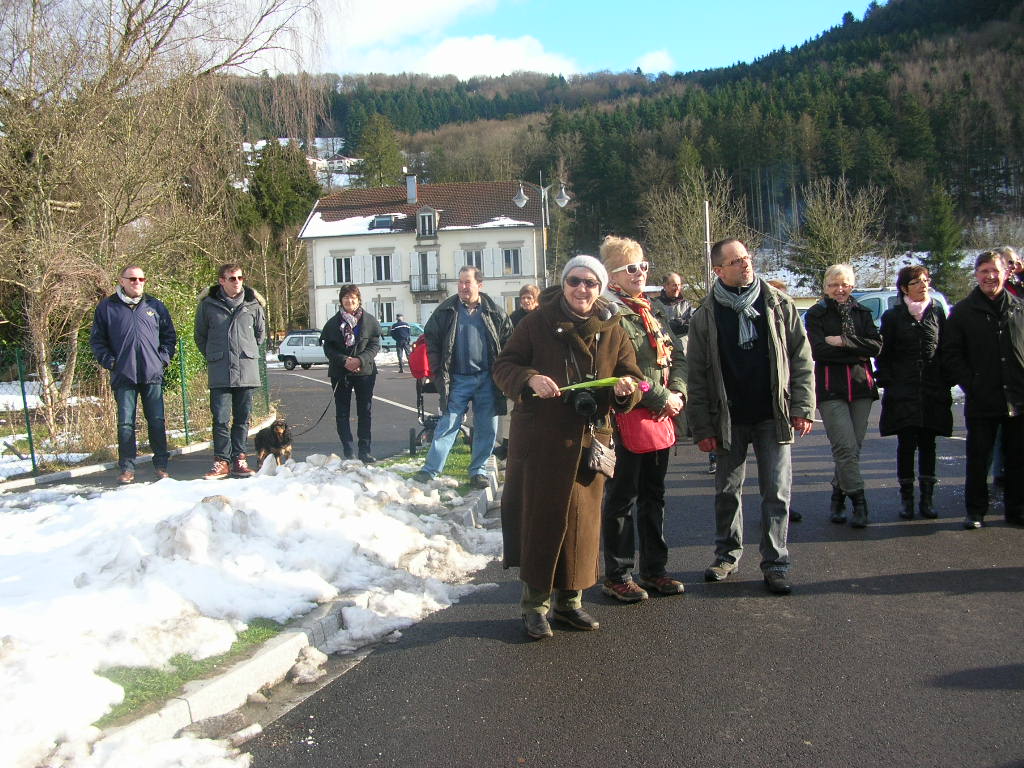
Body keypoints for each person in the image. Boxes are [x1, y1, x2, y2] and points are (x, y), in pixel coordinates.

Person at [492, 256, 642, 639]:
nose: (582, 289)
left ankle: (569, 605)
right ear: (565, 283)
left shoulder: (614, 328)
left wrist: (626, 390)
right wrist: (530, 379)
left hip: (590, 440)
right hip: (542, 441)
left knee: (582, 525)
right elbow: (504, 367)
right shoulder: (536, 322)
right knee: (541, 523)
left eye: (591, 283)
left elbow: (632, 377)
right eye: (575, 281)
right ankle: (534, 607)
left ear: (601, 288)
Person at [687, 238, 814, 595]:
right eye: (736, 260)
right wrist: (702, 428)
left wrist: (803, 408)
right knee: (727, 491)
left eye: (747, 257)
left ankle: (776, 563)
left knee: (777, 491)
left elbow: (802, 359)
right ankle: (726, 555)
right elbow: (696, 376)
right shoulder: (706, 315)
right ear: (718, 270)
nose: (746, 264)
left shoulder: (777, 303)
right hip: (728, 418)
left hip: (773, 414)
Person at [599, 236, 688, 602]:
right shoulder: (609, 313)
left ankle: (655, 570)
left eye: (644, 266)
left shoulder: (651, 310)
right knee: (622, 499)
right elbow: (621, 368)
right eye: (631, 268)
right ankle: (618, 574)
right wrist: (660, 396)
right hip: (626, 415)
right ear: (613, 276)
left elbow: (677, 357)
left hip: (659, 416)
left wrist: (678, 391)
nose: (641, 273)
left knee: (655, 496)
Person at [941, 249, 1024, 529]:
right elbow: (951, 354)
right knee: (979, 458)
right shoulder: (963, 312)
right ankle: (975, 511)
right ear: (976, 275)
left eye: (995, 270)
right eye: (984, 271)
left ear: (1006, 273)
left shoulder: (1019, 307)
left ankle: (1016, 511)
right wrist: (972, 383)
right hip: (982, 397)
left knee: (1017, 459)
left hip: (1018, 396)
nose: (990, 276)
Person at [413, 266, 513, 489]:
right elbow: (432, 340)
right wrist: (438, 372)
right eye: (460, 282)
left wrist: (502, 374)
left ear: (479, 285)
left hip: (487, 379)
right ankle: (430, 471)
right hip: (457, 378)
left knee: (487, 427)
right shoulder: (446, 311)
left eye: (467, 282)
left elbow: (508, 343)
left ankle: (477, 471)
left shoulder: (495, 312)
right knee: (448, 423)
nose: (463, 287)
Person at [804, 264, 882, 528]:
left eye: (845, 284)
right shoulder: (816, 314)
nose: (840, 289)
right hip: (830, 389)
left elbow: (876, 346)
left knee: (853, 448)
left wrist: (844, 341)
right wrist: (857, 350)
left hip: (861, 387)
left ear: (852, 285)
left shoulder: (863, 311)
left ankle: (838, 495)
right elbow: (819, 350)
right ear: (825, 287)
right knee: (845, 447)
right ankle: (859, 502)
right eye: (834, 284)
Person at [875, 265, 952, 520]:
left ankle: (927, 499)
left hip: (932, 389)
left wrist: (945, 379)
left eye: (926, 280)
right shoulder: (893, 316)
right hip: (904, 390)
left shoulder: (937, 312)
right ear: (904, 287)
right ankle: (907, 500)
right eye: (917, 282)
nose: (923, 285)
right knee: (906, 444)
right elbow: (884, 356)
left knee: (929, 443)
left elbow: (946, 350)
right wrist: (890, 382)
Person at [90, 265, 177, 484]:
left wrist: (162, 360)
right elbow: (97, 341)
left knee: (156, 422)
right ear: (122, 281)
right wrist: (111, 362)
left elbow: (169, 336)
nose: (137, 282)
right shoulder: (107, 307)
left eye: (141, 279)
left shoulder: (155, 306)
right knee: (126, 424)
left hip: (152, 374)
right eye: (132, 279)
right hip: (124, 375)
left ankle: (161, 466)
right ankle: (127, 468)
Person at [195, 263, 266, 479]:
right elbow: (200, 337)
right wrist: (215, 355)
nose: (237, 282)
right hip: (220, 370)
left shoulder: (253, 304)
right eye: (232, 278)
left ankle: (239, 459)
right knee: (220, 418)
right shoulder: (208, 305)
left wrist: (246, 351)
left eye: (240, 278)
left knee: (242, 419)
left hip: (246, 370)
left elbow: (260, 335)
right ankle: (221, 461)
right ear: (221, 281)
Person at [320, 285, 381, 463]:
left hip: (365, 372)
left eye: (353, 297)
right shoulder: (332, 323)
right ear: (341, 301)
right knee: (342, 413)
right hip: (341, 373)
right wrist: (344, 361)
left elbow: (374, 345)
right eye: (345, 297)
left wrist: (360, 360)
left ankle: (365, 450)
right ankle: (349, 451)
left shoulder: (369, 321)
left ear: (359, 299)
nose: (349, 301)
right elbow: (328, 348)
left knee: (365, 411)